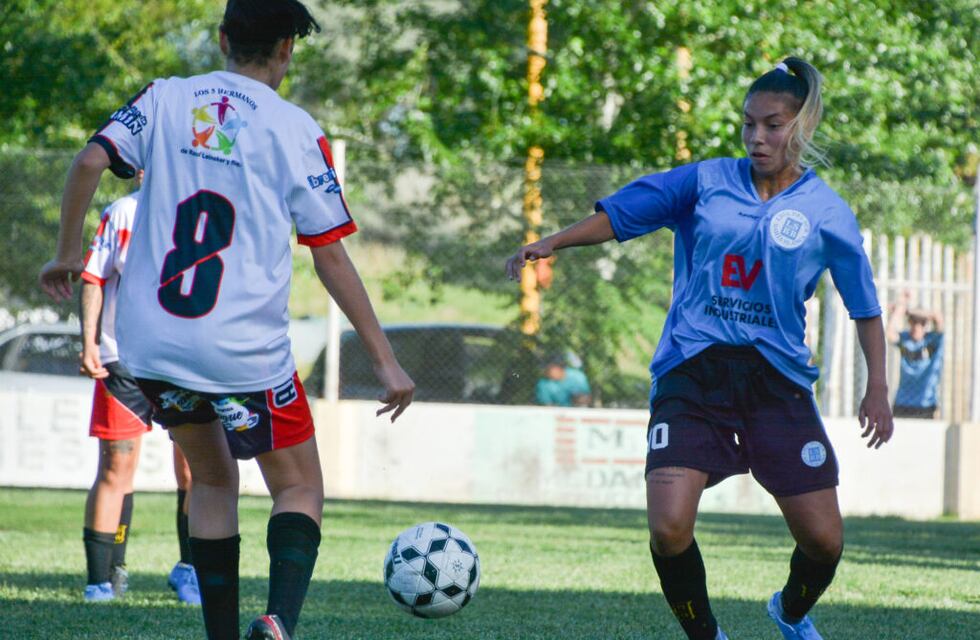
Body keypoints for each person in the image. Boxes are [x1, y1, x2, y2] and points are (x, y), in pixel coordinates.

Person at [39, 1, 415, 638]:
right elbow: (329, 254)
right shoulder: (295, 128)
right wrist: (383, 358)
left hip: (151, 347)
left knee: (212, 478)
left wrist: (69, 253)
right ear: (287, 50)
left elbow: (88, 162)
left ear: (222, 39)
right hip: (244, 353)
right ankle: (277, 623)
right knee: (298, 489)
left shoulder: (164, 97)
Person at [506, 57, 893, 640]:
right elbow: (622, 216)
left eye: (773, 125)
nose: (757, 137)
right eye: (748, 124)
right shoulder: (704, 182)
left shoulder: (828, 213)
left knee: (824, 541)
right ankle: (707, 637)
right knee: (668, 526)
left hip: (776, 383)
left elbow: (865, 307)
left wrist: (878, 388)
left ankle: (788, 611)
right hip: (693, 373)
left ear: (802, 127)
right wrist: (551, 243)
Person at [78, 170, 201, 605]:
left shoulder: (200, 211)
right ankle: (102, 579)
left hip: (186, 363)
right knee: (117, 467)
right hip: (123, 360)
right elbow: (93, 276)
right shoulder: (123, 212)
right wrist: (90, 341)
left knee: (196, 469)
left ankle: (190, 571)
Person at [886, 290, 944, 418]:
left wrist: (910, 311)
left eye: (921, 322)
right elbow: (890, 333)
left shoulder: (933, 340)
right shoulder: (905, 339)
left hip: (926, 404)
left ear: (926, 324)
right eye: (913, 321)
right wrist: (901, 307)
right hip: (903, 403)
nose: (917, 326)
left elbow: (938, 318)